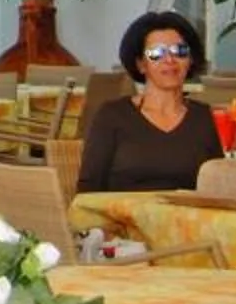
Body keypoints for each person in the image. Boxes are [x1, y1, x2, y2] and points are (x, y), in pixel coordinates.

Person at [75, 11, 225, 194]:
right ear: (141, 64)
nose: (169, 60)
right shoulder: (112, 116)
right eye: (156, 53)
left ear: (191, 60)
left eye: (180, 51)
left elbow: (218, 186)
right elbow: (88, 191)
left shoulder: (202, 117)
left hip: (187, 220)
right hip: (123, 220)